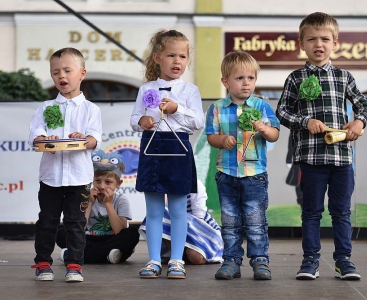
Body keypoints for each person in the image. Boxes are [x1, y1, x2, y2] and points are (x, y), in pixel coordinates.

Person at [276, 12, 366, 281]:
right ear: (301, 43)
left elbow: (362, 104)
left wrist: (359, 123)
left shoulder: (344, 76)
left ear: (335, 43)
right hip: (310, 158)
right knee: (311, 212)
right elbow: (282, 111)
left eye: (325, 39)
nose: (319, 44)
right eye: (312, 39)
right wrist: (305, 121)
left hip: (341, 159)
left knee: (341, 212)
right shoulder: (295, 78)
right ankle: (310, 261)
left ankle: (344, 261)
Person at [130, 29, 204, 279]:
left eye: (182, 56)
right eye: (171, 55)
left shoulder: (190, 90)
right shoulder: (146, 89)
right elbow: (133, 118)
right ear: (157, 58)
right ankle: (152, 260)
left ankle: (176, 260)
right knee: (153, 210)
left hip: (178, 147)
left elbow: (198, 121)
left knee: (178, 209)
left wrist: (177, 108)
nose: (177, 61)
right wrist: (143, 120)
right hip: (152, 147)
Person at [28, 47, 102, 283]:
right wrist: (43, 139)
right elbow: (36, 134)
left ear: (82, 73)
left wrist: (84, 139)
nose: (62, 76)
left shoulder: (91, 109)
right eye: (56, 72)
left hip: (79, 177)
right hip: (50, 176)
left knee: (76, 223)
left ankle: (74, 266)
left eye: (67, 70)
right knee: (47, 221)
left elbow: (94, 138)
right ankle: (42, 263)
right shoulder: (47, 107)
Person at [205, 50, 280, 280]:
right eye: (239, 78)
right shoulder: (216, 108)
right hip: (226, 173)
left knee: (256, 221)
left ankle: (260, 261)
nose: (246, 83)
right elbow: (210, 136)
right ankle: (231, 261)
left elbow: (275, 134)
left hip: (254, 174)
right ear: (225, 81)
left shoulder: (262, 106)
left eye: (251, 78)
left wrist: (264, 129)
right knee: (229, 221)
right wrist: (222, 140)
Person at [56, 150, 140, 265]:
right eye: (97, 181)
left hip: (112, 240)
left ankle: (75, 254)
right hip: (89, 239)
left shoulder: (121, 200)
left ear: (118, 184)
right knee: (61, 232)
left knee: (132, 234)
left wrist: (108, 204)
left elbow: (119, 231)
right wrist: (89, 203)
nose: (101, 186)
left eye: (108, 182)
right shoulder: (86, 198)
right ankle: (107, 255)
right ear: (92, 180)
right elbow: (80, 227)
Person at [138, 179, 223, 265]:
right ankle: (175, 256)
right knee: (163, 215)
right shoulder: (159, 182)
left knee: (196, 258)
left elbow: (199, 220)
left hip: (198, 231)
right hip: (173, 229)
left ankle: (182, 255)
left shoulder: (195, 184)